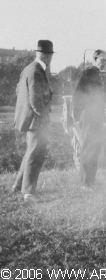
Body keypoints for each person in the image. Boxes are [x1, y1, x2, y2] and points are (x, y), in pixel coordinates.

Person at [11, 40, 54, 203]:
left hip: (29, 119)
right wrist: (45, 117)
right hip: (36, 121)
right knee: (35, 155)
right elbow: (35, 100)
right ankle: (28, 193)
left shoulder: (28, 68)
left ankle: (18, 186)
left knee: (31, 152)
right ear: (47, 56)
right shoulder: (37, 70)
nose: (50, 59)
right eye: (50, 55)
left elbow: (18, 90)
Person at [72, 49, 106, 190]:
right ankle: (85, 183)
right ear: (95, 58)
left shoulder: (98, 75)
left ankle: (90, 180)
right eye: (102, 60)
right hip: (88, 116)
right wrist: (76, 115)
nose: (104, 63)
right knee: (88, 148)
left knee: (95, 148)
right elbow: (77, 94)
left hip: (97, 116)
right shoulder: (87, 72)